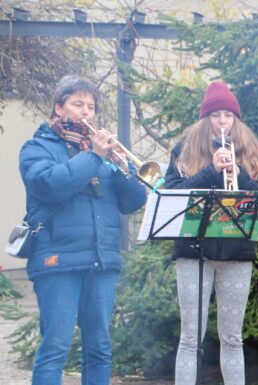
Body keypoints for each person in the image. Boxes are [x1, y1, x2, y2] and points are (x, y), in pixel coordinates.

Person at [18, 75, 147, 385]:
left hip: (101, 259)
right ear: (58, 107)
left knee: (100, 348)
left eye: (91, 106)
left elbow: (132, 201)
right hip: (57, 259)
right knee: (55, 347)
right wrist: (94, 157)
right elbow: (49, 185)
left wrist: (124, 169)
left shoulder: (102, 153)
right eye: (78, 104)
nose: (85, 112)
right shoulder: (37, 147)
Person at [165, 80, 258, 385]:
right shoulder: (183, 151)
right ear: (205, 119)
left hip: (236, 253)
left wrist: (238, 173)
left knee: (232, 337)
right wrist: (211, 171)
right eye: (216, 115)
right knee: (190, 337)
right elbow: (173, 195)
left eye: (228, 115)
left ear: (235, 119)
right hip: (193, 253)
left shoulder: (250, 153)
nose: (222, 121)